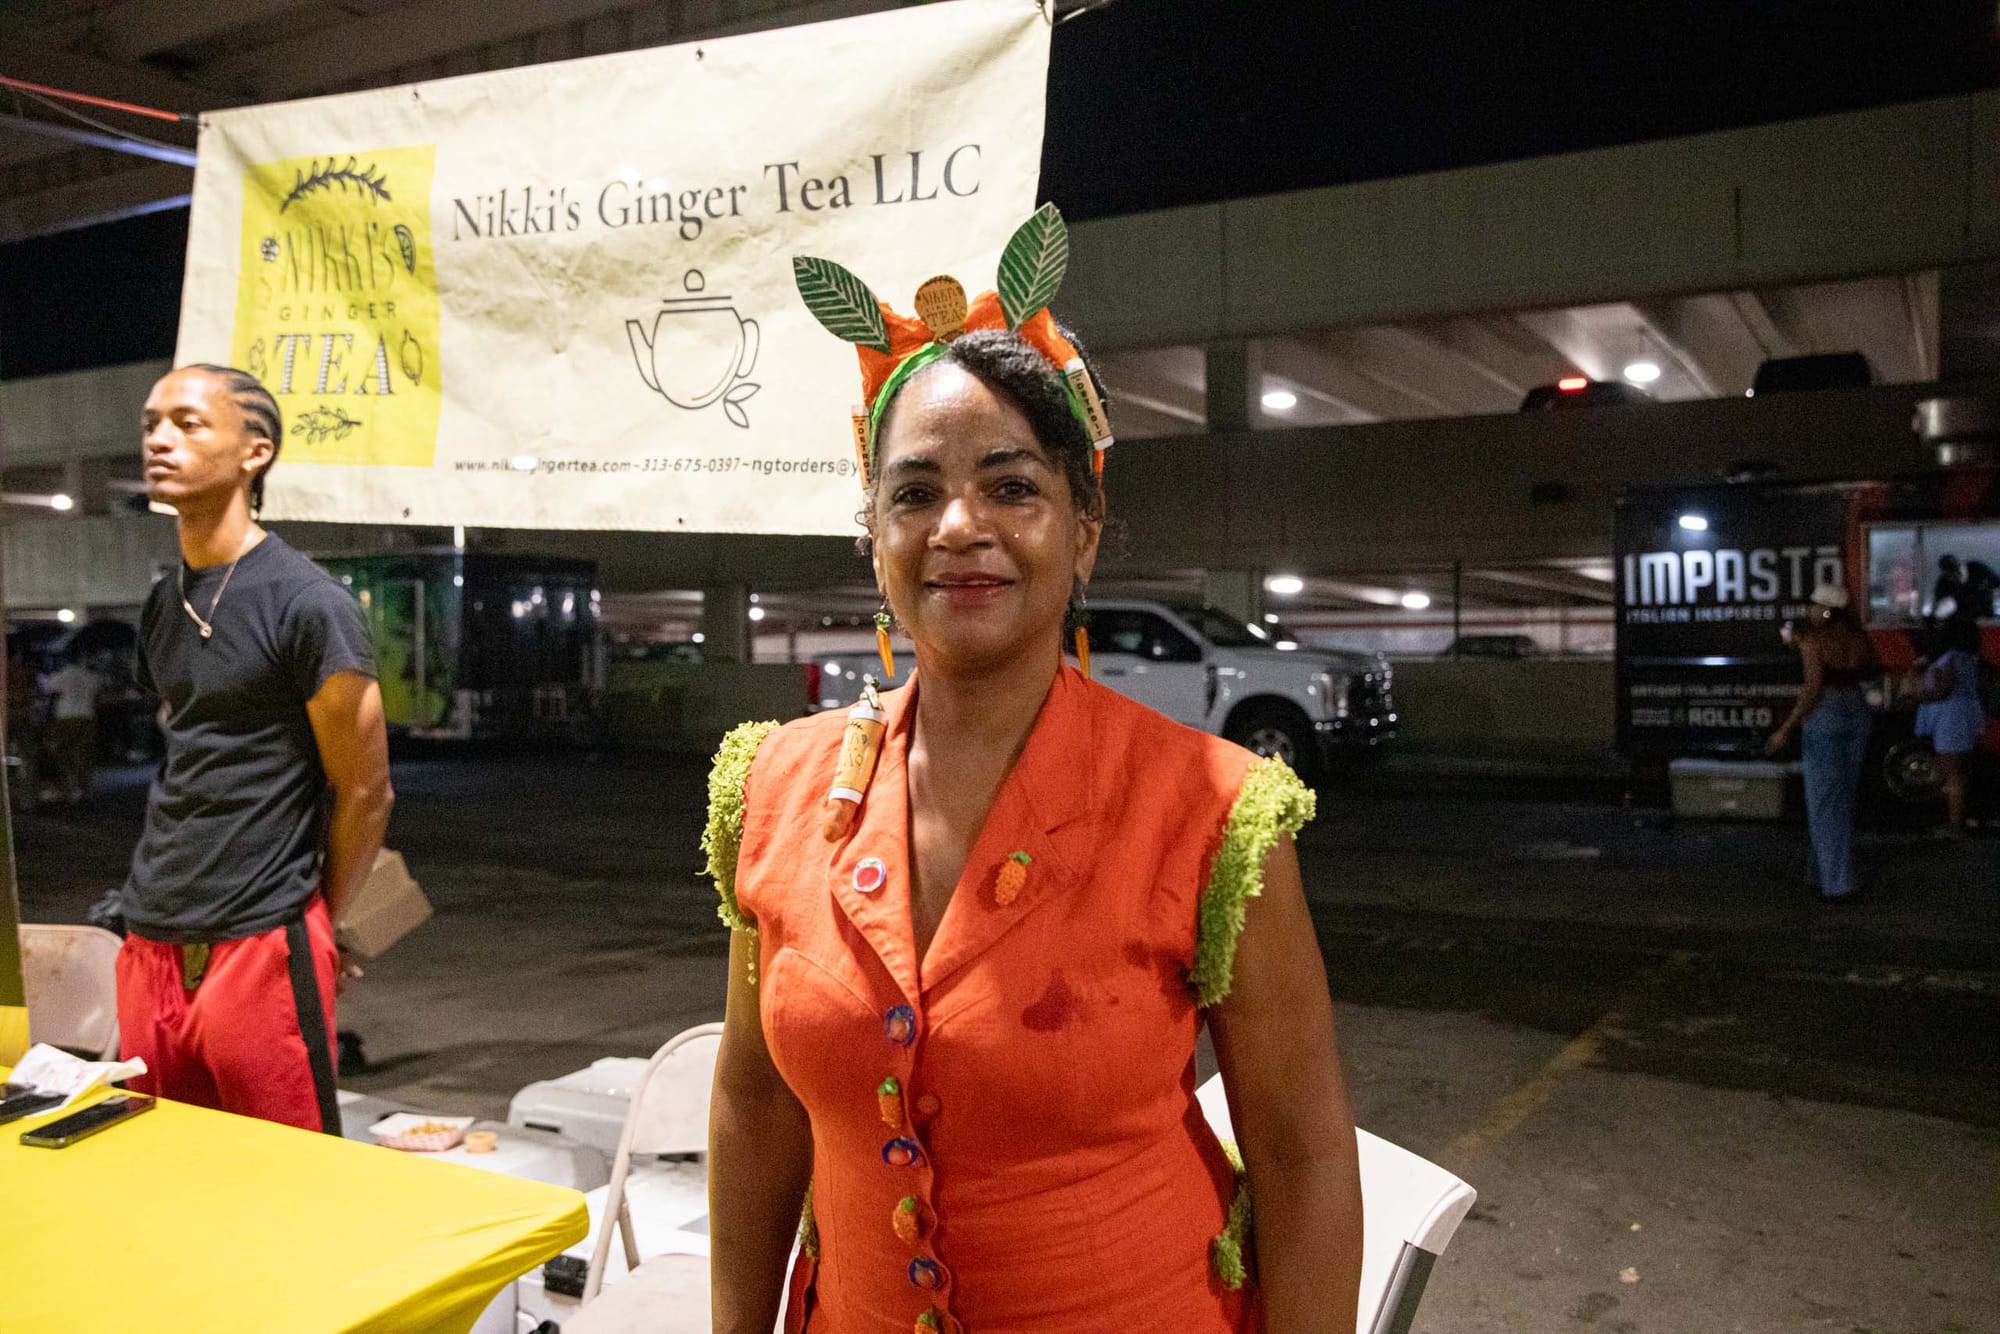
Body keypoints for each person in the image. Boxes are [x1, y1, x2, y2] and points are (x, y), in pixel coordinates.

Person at [706, 209, 1364, 1333]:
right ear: (870, 537)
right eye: (913, 493)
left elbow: (1300, 1153)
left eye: (1011, 486)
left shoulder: (1208, 809)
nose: (959, 525)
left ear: (1084, 529)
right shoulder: (775, 787)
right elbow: (755, 1096)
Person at [116, 364, 393, 1134]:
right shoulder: (162, 602)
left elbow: (366, 791)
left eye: (188, 423)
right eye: (150, 425)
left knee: (287, 1178)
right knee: (162, 1161)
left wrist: (316, 923)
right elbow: (189, 757)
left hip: (261, 936)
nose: (160, 441)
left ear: (255, 452)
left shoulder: (309, 604)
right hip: (151, 935)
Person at [1767, 583, 1879, 900]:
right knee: (1842, 796)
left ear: (1826, 610)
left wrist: (1786, 727)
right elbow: (1869, 671)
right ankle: (1819, 872)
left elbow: (1813, 689)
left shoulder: (1814, 641)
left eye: (1814, 605)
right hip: (1857, 712)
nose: (1810, 610)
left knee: (1824, 802)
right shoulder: (1858, 638)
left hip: (1826, 715)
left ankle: (1839, 883)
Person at [1912, 613, 1986, 837]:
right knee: (1962, 770)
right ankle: (1963, 817)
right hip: (1967, 715)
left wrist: (1919, 697)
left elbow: (1944, 689)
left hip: (1950, 717)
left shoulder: (1951, 658)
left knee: (1952, 773)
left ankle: (1955, 825)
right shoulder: (1970, 657)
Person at [42, 650, 103, 805]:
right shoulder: (91, 676)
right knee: (84, 754)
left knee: (65, 754)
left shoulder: (61, 676)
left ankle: (70, 788)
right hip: (87, 717)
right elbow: (98, 694)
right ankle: (83, 789)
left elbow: (47, 690)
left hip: (66, 718)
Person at [1933, 554, 1997, 621]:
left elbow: (1996, 582)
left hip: (1986, 614)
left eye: (1956, 571)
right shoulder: (1943, 584)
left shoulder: (1977, 568)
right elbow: (1938, 604)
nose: (1955, 575)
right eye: (1950, 574)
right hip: (1963, 620)